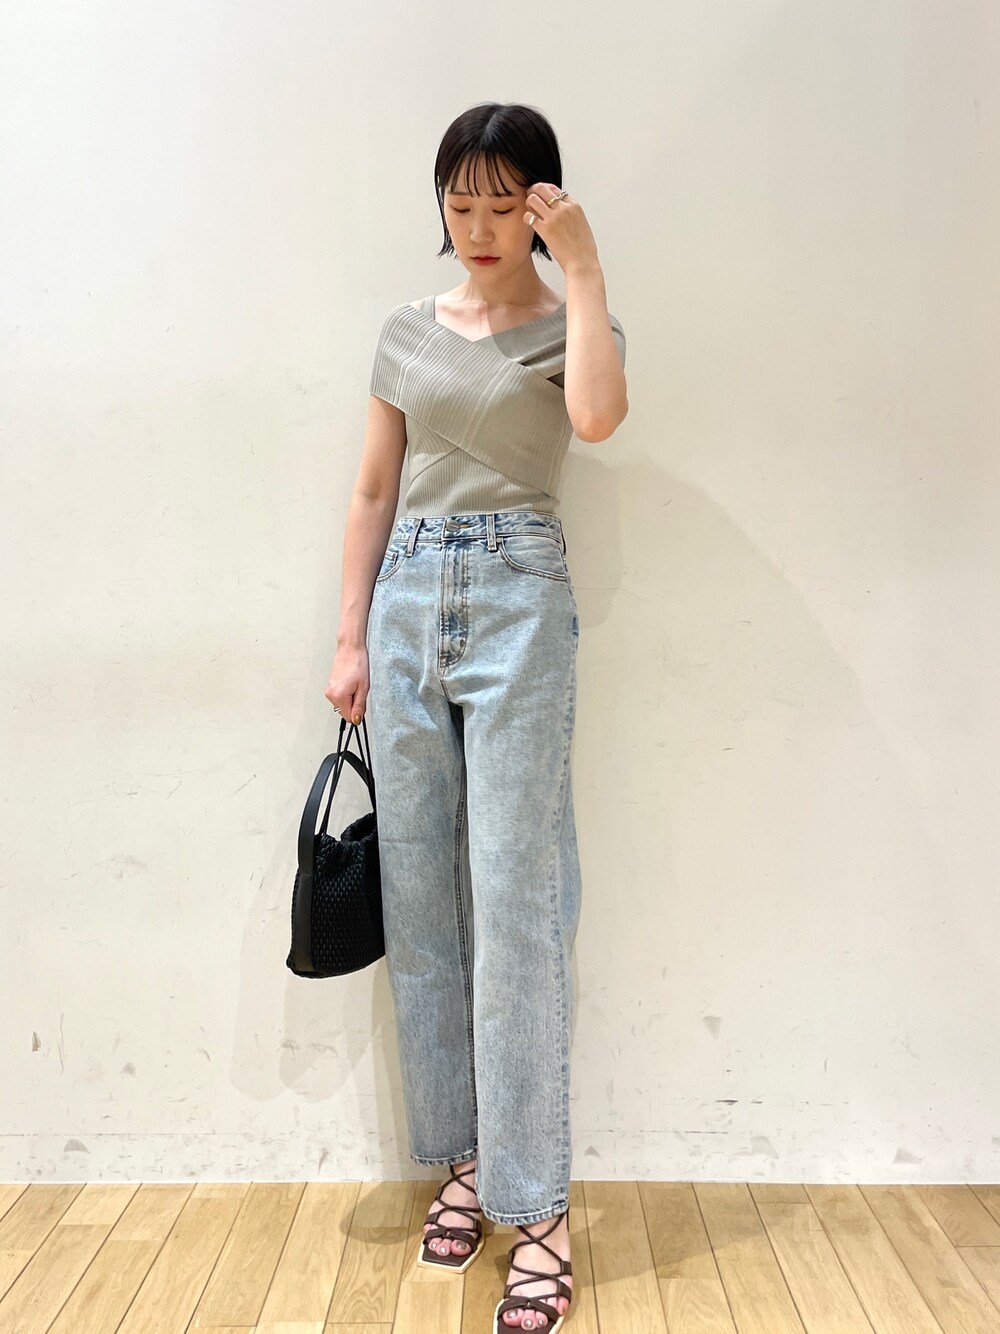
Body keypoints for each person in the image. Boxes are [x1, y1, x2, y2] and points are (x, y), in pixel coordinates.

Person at [324, 101, 628, 1333]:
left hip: (517, 595)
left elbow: (596, 420)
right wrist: (348, 635)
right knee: (422, 895)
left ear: (543, 206)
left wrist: (586, 269)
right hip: (407, 596)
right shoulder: (406, 328)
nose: (480, 226)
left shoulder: (571, 325)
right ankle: (460, 1159)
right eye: (461, 202)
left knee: (518, 902)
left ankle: (537, 1210)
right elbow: (372, 488)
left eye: (505, 203)